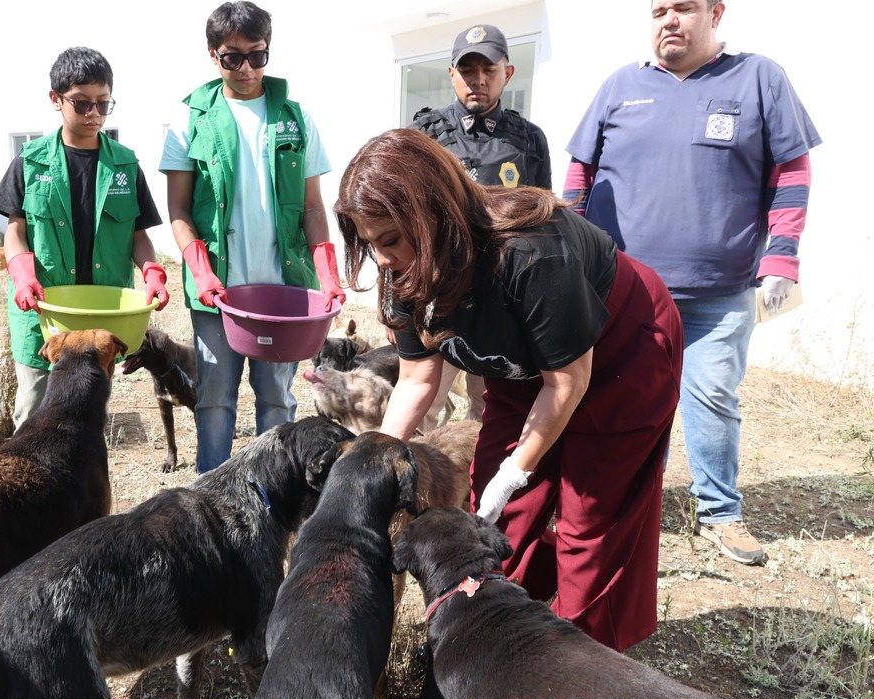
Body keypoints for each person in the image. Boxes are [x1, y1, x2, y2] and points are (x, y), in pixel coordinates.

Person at [335, 128, 683, 653]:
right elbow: (417, 378)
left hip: (619, 353)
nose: (381, 259)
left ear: (433, 217)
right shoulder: (406, 267)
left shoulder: (531, 252)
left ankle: (582, 661)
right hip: (522, 363)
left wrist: (516, 471)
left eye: (389, 241)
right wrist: (371, 460)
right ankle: (498, 628)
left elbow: (567, 383)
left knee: (590, 516)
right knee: (496, 511)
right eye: (370, 243)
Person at [564, 0, 821, 566]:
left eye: (683, 8)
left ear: (716, 12)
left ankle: (720, 514)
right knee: (619, 402)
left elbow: (792, 172)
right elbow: (580, 176)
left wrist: (782, 257)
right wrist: (569, 254)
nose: (669, 20)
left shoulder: (758, 78)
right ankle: (621, 505)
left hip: (718, 291)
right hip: (624, 291)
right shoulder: (620, 86)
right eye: (658, 10)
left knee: (711, 399)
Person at [160, 1, 344, 474]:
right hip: (217, 292)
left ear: (269, 51)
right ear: (212, 55)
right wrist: (199, 269)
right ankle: (212, 503)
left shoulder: (296, 119)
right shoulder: (189, 121)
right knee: (215, 397)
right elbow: (178, 207)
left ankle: (272, 500)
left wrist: (327, 272)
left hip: (282, 290)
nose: (245, 68)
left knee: (278, 400)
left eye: (257, 55)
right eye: (232, 57)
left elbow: (312, 207)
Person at [0, 46, 169, 430]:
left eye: (103, 104)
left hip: (103, 317)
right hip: (47, 312)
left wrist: (151, 269)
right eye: (81, 103)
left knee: (89, 421)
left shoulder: (124, 164)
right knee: (34, 417)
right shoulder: (30, 161)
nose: (93, 115)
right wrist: (22, 274)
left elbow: (138, 235)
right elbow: (15, 230)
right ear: (56, 99)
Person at [409, 23, 553, 427]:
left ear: (507, 74)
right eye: (467, 71)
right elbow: (406, 222)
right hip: (441, 296)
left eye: (488, 70)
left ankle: (478, 488)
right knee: (423, 405)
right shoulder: (425, 134)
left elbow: (544, 222)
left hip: (504, 299)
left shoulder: (529, 140)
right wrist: (397, 306)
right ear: (452, 75)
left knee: (492, 411)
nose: (478, 80)